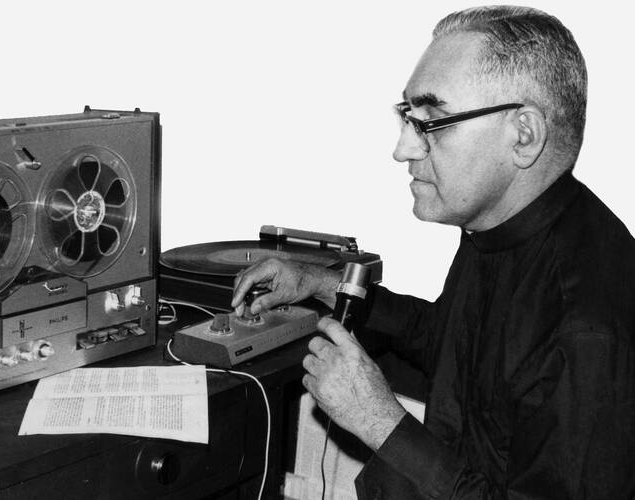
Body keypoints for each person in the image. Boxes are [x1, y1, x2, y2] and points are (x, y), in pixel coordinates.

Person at [232, 5, 635, 499]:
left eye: (433, 122)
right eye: (408, 117)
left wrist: (381, 422)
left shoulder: (589, 328)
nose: (402, 149)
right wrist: (322, 284)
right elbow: (448, 338)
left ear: (523, 135)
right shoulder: (500, 227)